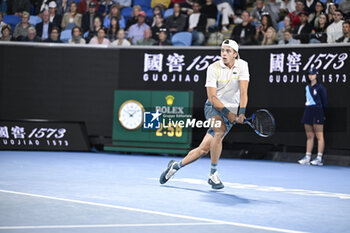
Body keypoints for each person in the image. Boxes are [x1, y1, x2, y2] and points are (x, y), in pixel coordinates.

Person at [159, 39, 250, 189]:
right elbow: (212, 98)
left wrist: (241, 112)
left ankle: (175, 167)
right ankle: (213, 175)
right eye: (222, 50)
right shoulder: (213, 68)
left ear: (235, 54)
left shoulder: (243, 66)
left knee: (203, 149)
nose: (224, 53)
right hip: (213, 108)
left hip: (232, 111)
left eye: (228, 51)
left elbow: (244, 92)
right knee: (219, 132)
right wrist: (229, 114)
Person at [298, 67, 327, 166]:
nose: (311, 76)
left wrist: (323, 114)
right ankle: (307, 157)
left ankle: (319, 158)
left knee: (319, 136)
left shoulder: (321, 88)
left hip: (318, 111)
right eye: (309, 74)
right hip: (308, 110)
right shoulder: (307, 87)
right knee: (309, 135)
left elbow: (324, 102)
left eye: (313, 74)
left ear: (316, 75)